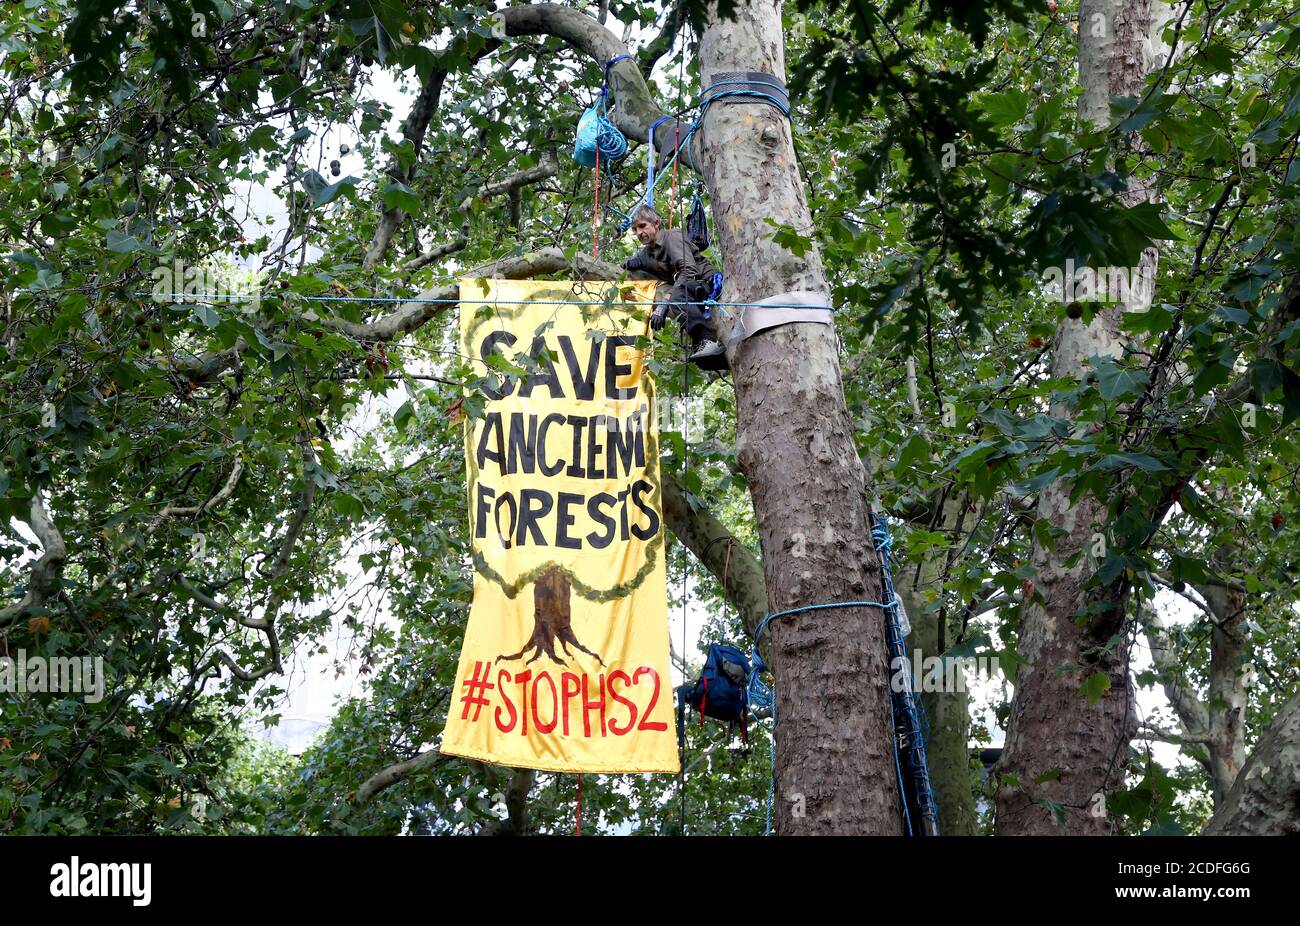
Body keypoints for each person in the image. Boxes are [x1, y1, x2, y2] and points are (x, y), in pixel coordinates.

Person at [621, 205, 725, 366]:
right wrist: (629, 264)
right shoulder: (647, 253)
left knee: (676, 297)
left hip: (705, 284)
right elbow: (636, 262)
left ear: (656, 223)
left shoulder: (673, 237)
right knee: (703, 361)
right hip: (688, 291)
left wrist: (665, 302)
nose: (639, 233)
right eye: (634, 230)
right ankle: (716, 358)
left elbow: (689, 271)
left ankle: (706, 339)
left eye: (642, 226)